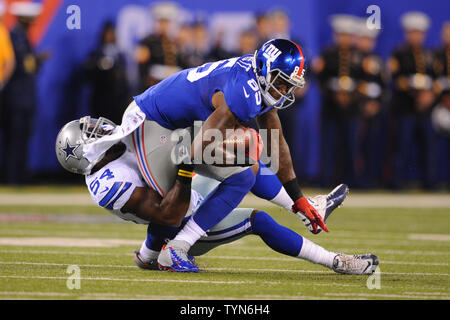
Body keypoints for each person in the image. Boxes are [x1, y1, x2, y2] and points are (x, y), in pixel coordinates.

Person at [54, 115, 379, 275]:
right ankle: (335, 262)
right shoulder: (108, 183)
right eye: (93, 133)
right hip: (177, 222)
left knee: (242, 164)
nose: (102, 128)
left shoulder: (117, 146)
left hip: (182, 196)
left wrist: (188, 147)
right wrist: (185, 169)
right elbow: (167, 215)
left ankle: (305, 206)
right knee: (259, 220)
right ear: (86, 155)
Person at [388, 12, 438, 190]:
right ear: (407, 33)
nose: (416, 36)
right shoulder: (399, 53)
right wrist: (417, 94)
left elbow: (436, 79)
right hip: (406, 108)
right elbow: (396, 79)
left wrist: (430, 94)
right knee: (402, 145)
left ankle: (430, 182)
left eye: (419, 33)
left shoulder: (430, 54)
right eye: (413, 32)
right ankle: (397, 182)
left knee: (429, 146)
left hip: (426, 109)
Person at [313, 15, 362, 188]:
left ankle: (352, 182)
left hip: (352, 108)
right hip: (331, 107)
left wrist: (352, 93)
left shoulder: (359, 55)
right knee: (329, 146)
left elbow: (363, 79)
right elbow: (320, 79)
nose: (344, 38)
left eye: (347, 35)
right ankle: (326, 181)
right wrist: (334, 92)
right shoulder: (327, 54)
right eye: (341, 34)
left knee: (351, 146)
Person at [1, 2, 44, 184]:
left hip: (24, 98)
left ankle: (18, 177)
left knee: (22, 139)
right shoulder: (12, 37)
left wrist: (36, 61)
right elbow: (16, 67)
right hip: (15, 98)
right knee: (14, 139)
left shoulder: (23, 37)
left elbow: (29, 67)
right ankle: (12, 178)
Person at [354, 18, 386, 188]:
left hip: (375, 110)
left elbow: (384, 85)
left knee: (373, 146)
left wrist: (377, 103)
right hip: (356, 109)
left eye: (370, 39)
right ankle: (355, 180)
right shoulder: (354, 58)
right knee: (355, 146)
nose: (368, 42)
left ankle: (372, 179)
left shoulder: (377, 59)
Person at [84, 21, 129, 124]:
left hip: (118, 100)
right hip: (102, 99)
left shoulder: (120, 54)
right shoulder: (95, 54)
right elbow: (88, 75)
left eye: (112, 33)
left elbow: (124, 78)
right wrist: (100, 65)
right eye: (108, 33)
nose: (110, 36)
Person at [134, 2, 183, 91]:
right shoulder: (147, 42)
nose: (164, 25)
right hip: (153, 88)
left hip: (171, 88)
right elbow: (142, 68)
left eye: (167, 22)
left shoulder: (175, 43)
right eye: (161, 21)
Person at [432, 22, 450, 187]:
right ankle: (435, 180)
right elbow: (433, 82)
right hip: (441, 106)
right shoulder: (436, 55)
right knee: (437, 146)